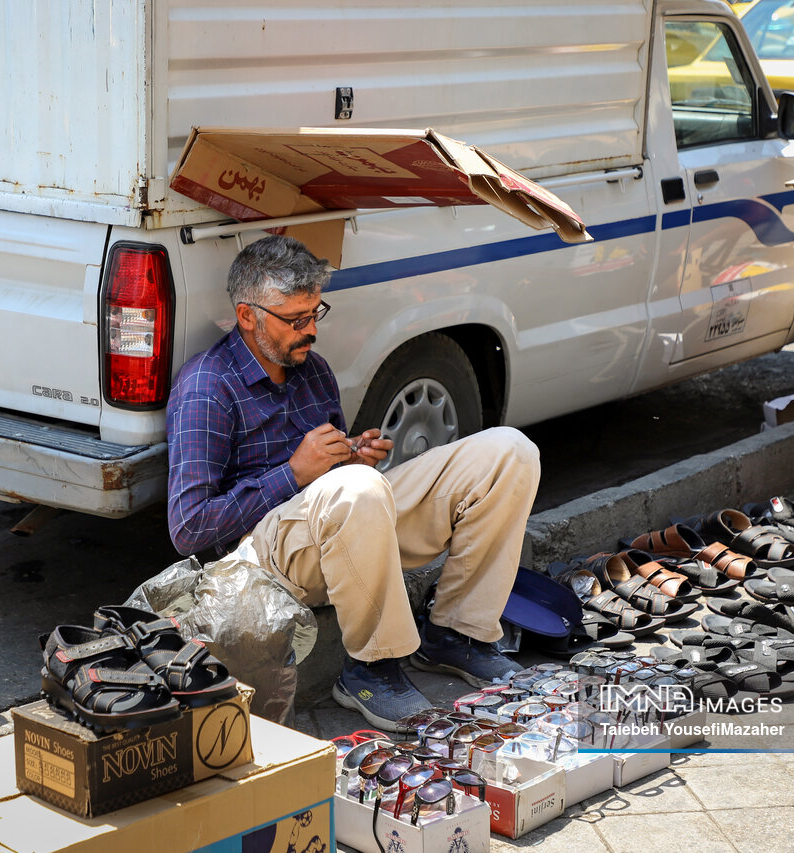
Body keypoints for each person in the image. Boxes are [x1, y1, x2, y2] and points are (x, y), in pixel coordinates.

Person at [165, 234, 541, 732]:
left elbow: (343, 494)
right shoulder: (206, 388)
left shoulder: (311, 370)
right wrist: (296, 472)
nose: (310, 331)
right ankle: (371, 669)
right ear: (247, 316)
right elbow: (189, 528)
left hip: (333, 531)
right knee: (356, 489)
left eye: (315, 314)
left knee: (509, 452)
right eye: (295, 320)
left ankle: (457, 634)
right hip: (256, 563)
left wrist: (353, 458)